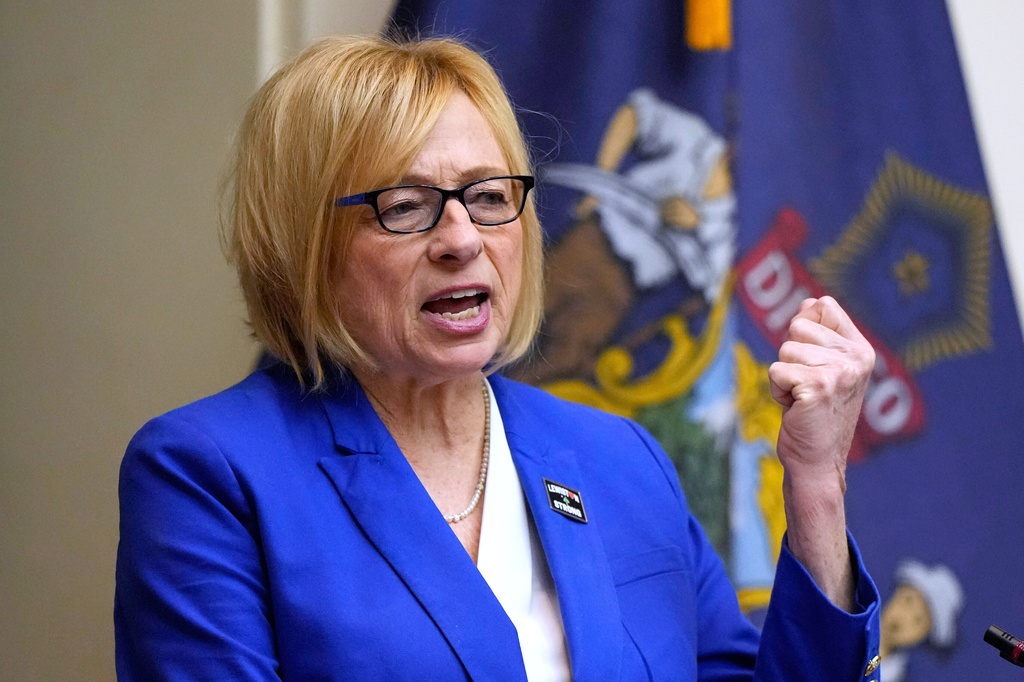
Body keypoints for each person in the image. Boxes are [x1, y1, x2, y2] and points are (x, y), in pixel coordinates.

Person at [114, 35, 882, 681]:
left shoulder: (618, 457)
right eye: (406, 206)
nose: (462, 239)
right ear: (304, 247)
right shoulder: (209, 474)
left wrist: (816, 483)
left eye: (486, 196)